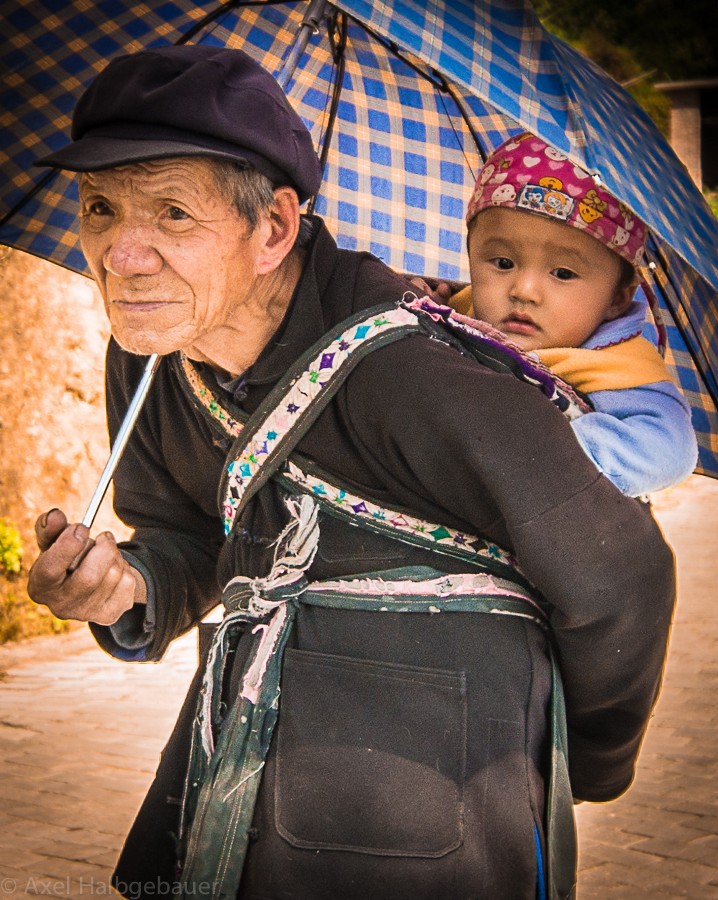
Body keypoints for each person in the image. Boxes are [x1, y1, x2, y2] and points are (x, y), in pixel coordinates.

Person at [27, 45, 676, 900]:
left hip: (434, 808)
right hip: (238, 780)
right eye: (100, 208)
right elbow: (186, 534)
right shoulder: (150, 355)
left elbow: (622, 576)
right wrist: (128, 587)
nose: (121, 254)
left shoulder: (414, 372)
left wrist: (577, 760)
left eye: (173, 214)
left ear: (274, 229)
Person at [436, 132, 698, 498]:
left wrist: (550, 456)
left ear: (618, 298)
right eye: (503, 263)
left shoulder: (620, 366)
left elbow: (669, 447)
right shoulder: (456, 309)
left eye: (562, 273)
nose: (524, 291)